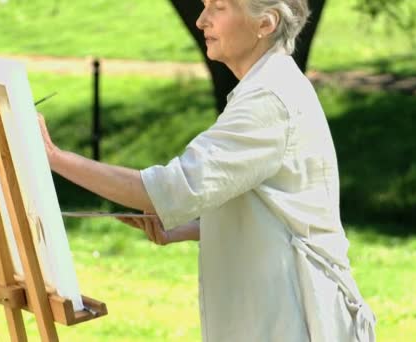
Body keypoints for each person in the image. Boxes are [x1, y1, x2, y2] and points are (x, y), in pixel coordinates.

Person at [38, 0, 376, 340]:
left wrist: (53, 156)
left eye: (219, 7)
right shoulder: (267, 86)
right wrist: (188, 228)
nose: (201, 20)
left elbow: (169, 189)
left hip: (299, 319)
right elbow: (273, 207)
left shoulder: (269, 99)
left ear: (265, 24)